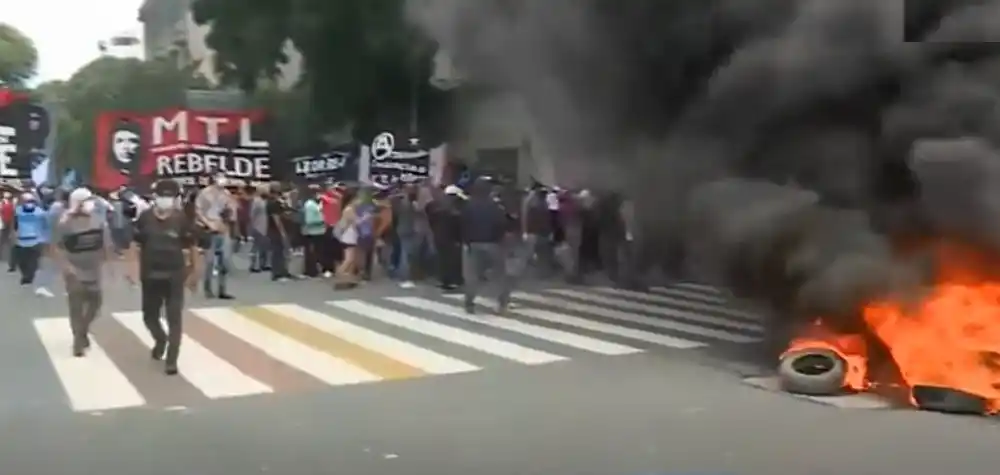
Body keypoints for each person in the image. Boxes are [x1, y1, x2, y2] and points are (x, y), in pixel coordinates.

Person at [127, 179, 199, 375]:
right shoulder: (145, 218)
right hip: (149, 275)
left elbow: (192, 246)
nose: (165, 200)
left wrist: (194, 273)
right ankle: (160, 339)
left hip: (175, 275)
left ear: (176, 199)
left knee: (174, 317)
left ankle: (172, 360)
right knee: (149, 316)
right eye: (162, 196)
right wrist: (132, 269)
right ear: (155, 197)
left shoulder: (183, 219)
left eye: (170, 196)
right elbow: (135, 244)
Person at [52, 187, 112, 356]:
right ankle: (78, 342)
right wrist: (66, 267)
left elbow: (106, 243)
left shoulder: (98, 220)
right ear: (77, 203)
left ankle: (82, 330)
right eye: (87, 201)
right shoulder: (65, 223)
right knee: (76, 307)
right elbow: (56, 247)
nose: (92, 204)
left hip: (94, 269)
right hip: (74, 271)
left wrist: (108, 263)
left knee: (96, 303)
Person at [460, 179, 511, 314]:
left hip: (473, 244)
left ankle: (469, 303)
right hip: (493, 244)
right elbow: (502, 224)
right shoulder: (495, 207)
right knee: (499, 275)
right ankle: (501, 304)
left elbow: (462, 224)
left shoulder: (468, 206)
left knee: (472, 276)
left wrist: (465, 240)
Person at [195, 171, 235, 299]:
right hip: (209, 230)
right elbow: (199, 211)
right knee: (210, 262)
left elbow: (231, 210)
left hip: (223, 229)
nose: (223, 180)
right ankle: (208, 289)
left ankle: (222, 290)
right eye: (220, 177)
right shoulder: (205, 193)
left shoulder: (226, 194)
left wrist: (229, 217)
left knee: (225, 261)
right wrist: (208, 223)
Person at [12, 192, 47, 287]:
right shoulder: (18, 211)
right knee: (23, 261)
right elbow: (15, 225)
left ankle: (28, 276)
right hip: (23, 240)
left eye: (31, 201)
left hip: (34, 240)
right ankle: (27, 275)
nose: (29, 203)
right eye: (27, 201)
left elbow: (45, 225)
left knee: (31, 260)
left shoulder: (39, 212)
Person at [300, 185, 326, 278]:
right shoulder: (310, 205)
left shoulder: (316, 203)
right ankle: (310, 271)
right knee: (311, 252)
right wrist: (322, 221)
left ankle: (314, 269)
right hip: (312, 232)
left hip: (318, 231)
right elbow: (309, 220)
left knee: (316, 251)